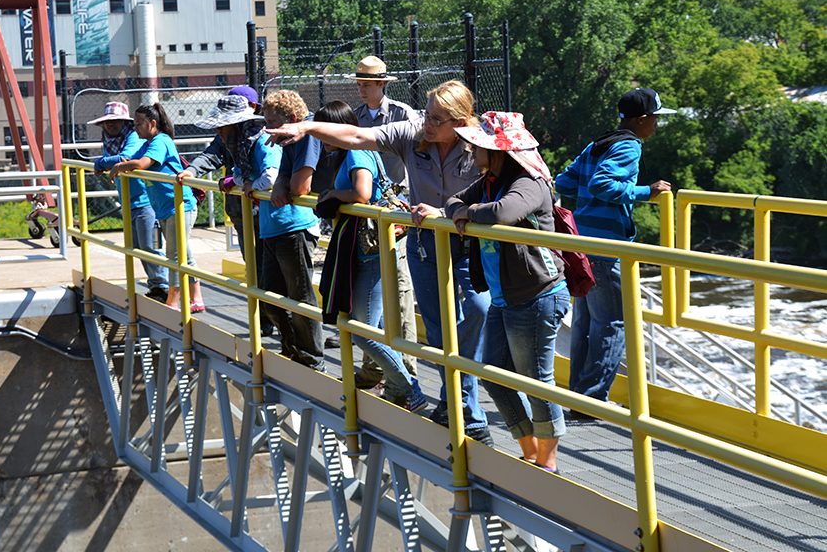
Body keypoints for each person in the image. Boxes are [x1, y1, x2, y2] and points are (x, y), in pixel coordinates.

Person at [266, 80, 493, 446]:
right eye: (427, 114)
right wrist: (306, 126)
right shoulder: (412, 133)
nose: (427, 123)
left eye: (437, 118)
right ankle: (463, 409)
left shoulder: (477, 143)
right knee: (439, 334)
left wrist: (454, 211)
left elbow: (509, 171)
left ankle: (461, 403)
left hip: (467, 246)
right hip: (425, 247)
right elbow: (356, 136)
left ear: (460, 121)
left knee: (478, 310)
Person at [445, 112, 569, 470]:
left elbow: (503, 213)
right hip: (506, 297)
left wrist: (467, 212)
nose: (470, 149)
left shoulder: (528, 181)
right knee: (494, 373)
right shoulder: (490, 181)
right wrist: (464, 210)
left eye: (476, 144)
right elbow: (453, 201)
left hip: (537, 294)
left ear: (496, 150)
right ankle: (530, 448)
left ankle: (547, 461)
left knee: (536, 380)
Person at [554, 88, 674, 415]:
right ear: (642, 119)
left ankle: (578, 394)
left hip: (579, 243)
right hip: (605, 247)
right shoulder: (629, 145)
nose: (657, 127)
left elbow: (564, 183)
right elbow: (601, 185)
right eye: (656, 120)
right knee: (613, 321)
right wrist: (645, 191)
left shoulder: (599, 143)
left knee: (585, 322)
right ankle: (591, 401)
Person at [315, 101, 427, 412]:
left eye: (324, 131)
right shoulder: (350, 153)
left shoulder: (355, 152)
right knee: (363, 326)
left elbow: (363, 194)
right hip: (365, 250)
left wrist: (333, 195)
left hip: (370, 252)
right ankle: (397, 386)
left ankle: (408, 388)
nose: (321, 139)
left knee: (360, 330)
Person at [177, 87, 275, 335]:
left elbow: (271, 173)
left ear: (253, 109)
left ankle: (273, 319)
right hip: (242, 209)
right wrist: (192, 171)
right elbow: (211, 156)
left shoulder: (260, 138)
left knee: (268, 266)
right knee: (253, 265)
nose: (219, 130)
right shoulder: (227, 138)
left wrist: (241, 182)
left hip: (266, 211)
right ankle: (263, 319)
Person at [346, 55, 419, 388]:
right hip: (367, 215)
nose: (361, 89)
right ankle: (374, 367)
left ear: (381, 85)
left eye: (366, 84)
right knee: (371, 294)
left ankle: (405, 370)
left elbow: (418, 158)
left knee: (399, 289)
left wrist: (402, 198)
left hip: (397, 213)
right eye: (358, 84)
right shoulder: (355, 117)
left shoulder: (404, 115)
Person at [110, 103, 204, 312]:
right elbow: (133, 159)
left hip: (179, 205)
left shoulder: (161, 141)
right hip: (165, 207)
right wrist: (122, 163)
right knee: (183, 253)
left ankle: (172, 301)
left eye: (139, 124)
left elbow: (141, 164)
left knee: (174, 254)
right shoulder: (149, 142)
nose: (135, 128)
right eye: (134, 125)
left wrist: (118, 166)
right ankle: (196, 298)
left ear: (153, 123)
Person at [259, 90, 327, 368]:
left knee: (300, 296)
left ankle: (312, 357)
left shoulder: (307, 134)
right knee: (271, 298)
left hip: (295, 226)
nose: (268, 128)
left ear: (293, 119)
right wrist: (279, 183)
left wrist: (284, 182)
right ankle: (293, 349)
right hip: (275, 228)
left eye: (273, 121)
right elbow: (283, 176)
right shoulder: (286, 140)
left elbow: (300, 186)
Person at [91, 102, 169, 303]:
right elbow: (115, 160)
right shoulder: (109, 140)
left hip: (145, 200)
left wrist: (101, 163)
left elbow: (125, 159)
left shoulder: (133, 136)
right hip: (129, 201)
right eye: (107, 122)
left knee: (149, 245)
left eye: (115, 121)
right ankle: (156, 285)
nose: (110, 125)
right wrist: (107, 163)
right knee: (137, 246)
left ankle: (163, 286)